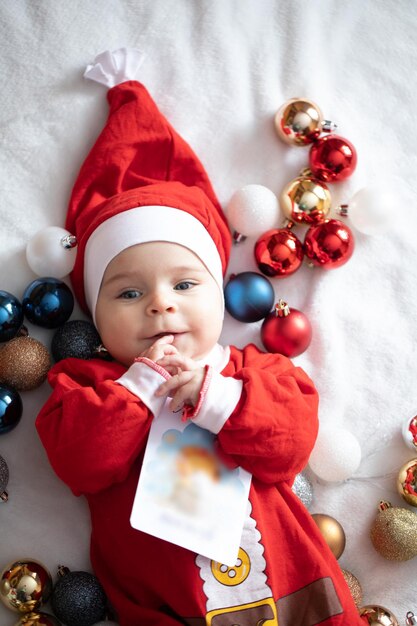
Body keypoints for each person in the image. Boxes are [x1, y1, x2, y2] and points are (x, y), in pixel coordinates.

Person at [36, 49, 367, 626]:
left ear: (220, 292)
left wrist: (218, 399)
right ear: (95, 314)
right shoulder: (85, 385)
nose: (161, 303)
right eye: (129, 294)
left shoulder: (254, 371)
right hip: (164, 605)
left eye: (185, 284)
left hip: (291, 583)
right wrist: (138, 388)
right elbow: (79, 463)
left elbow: (291, 438)